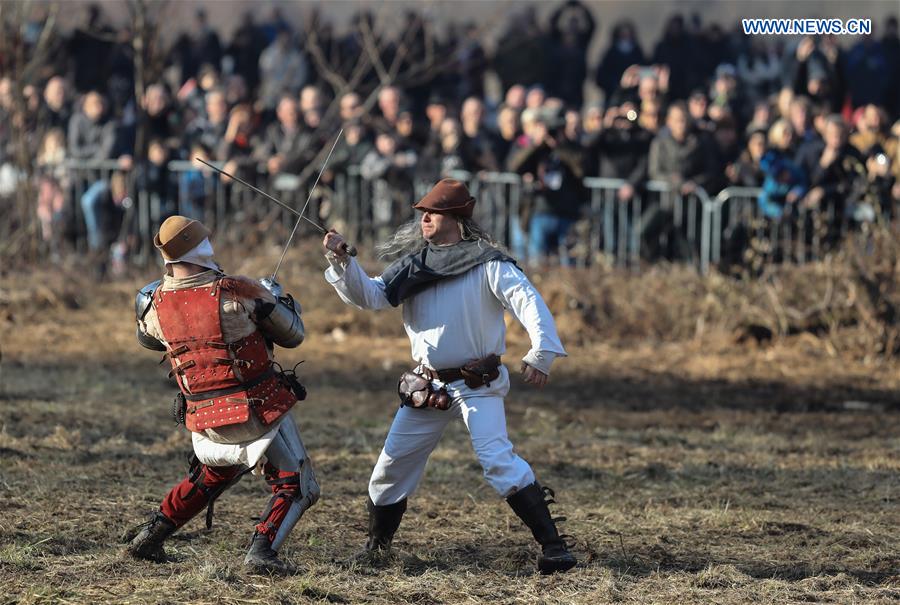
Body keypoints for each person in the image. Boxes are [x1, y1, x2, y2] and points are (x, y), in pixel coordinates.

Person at [321, 179, 576, 574]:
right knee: (389, 470)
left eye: (433, 212)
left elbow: (529, 302)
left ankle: (555, 547)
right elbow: (371, 296)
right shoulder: (415, 265)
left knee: (498, 462)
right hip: (428, 387)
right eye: (422, 212)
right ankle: (376, 548)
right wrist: (343, 262)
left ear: (455, 218)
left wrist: (541, 353)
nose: (424, 218)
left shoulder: (489, 262)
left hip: (478, 384)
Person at [128, 216, 318, 574]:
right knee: (299, 485)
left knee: (215, 473)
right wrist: (275, 298)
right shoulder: (238, 291)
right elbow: (293, 335)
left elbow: (150, 341)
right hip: (256, 410)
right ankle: (262, 552)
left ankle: (151, 536)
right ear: (202, 248)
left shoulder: (151, 302)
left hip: (201, 414)